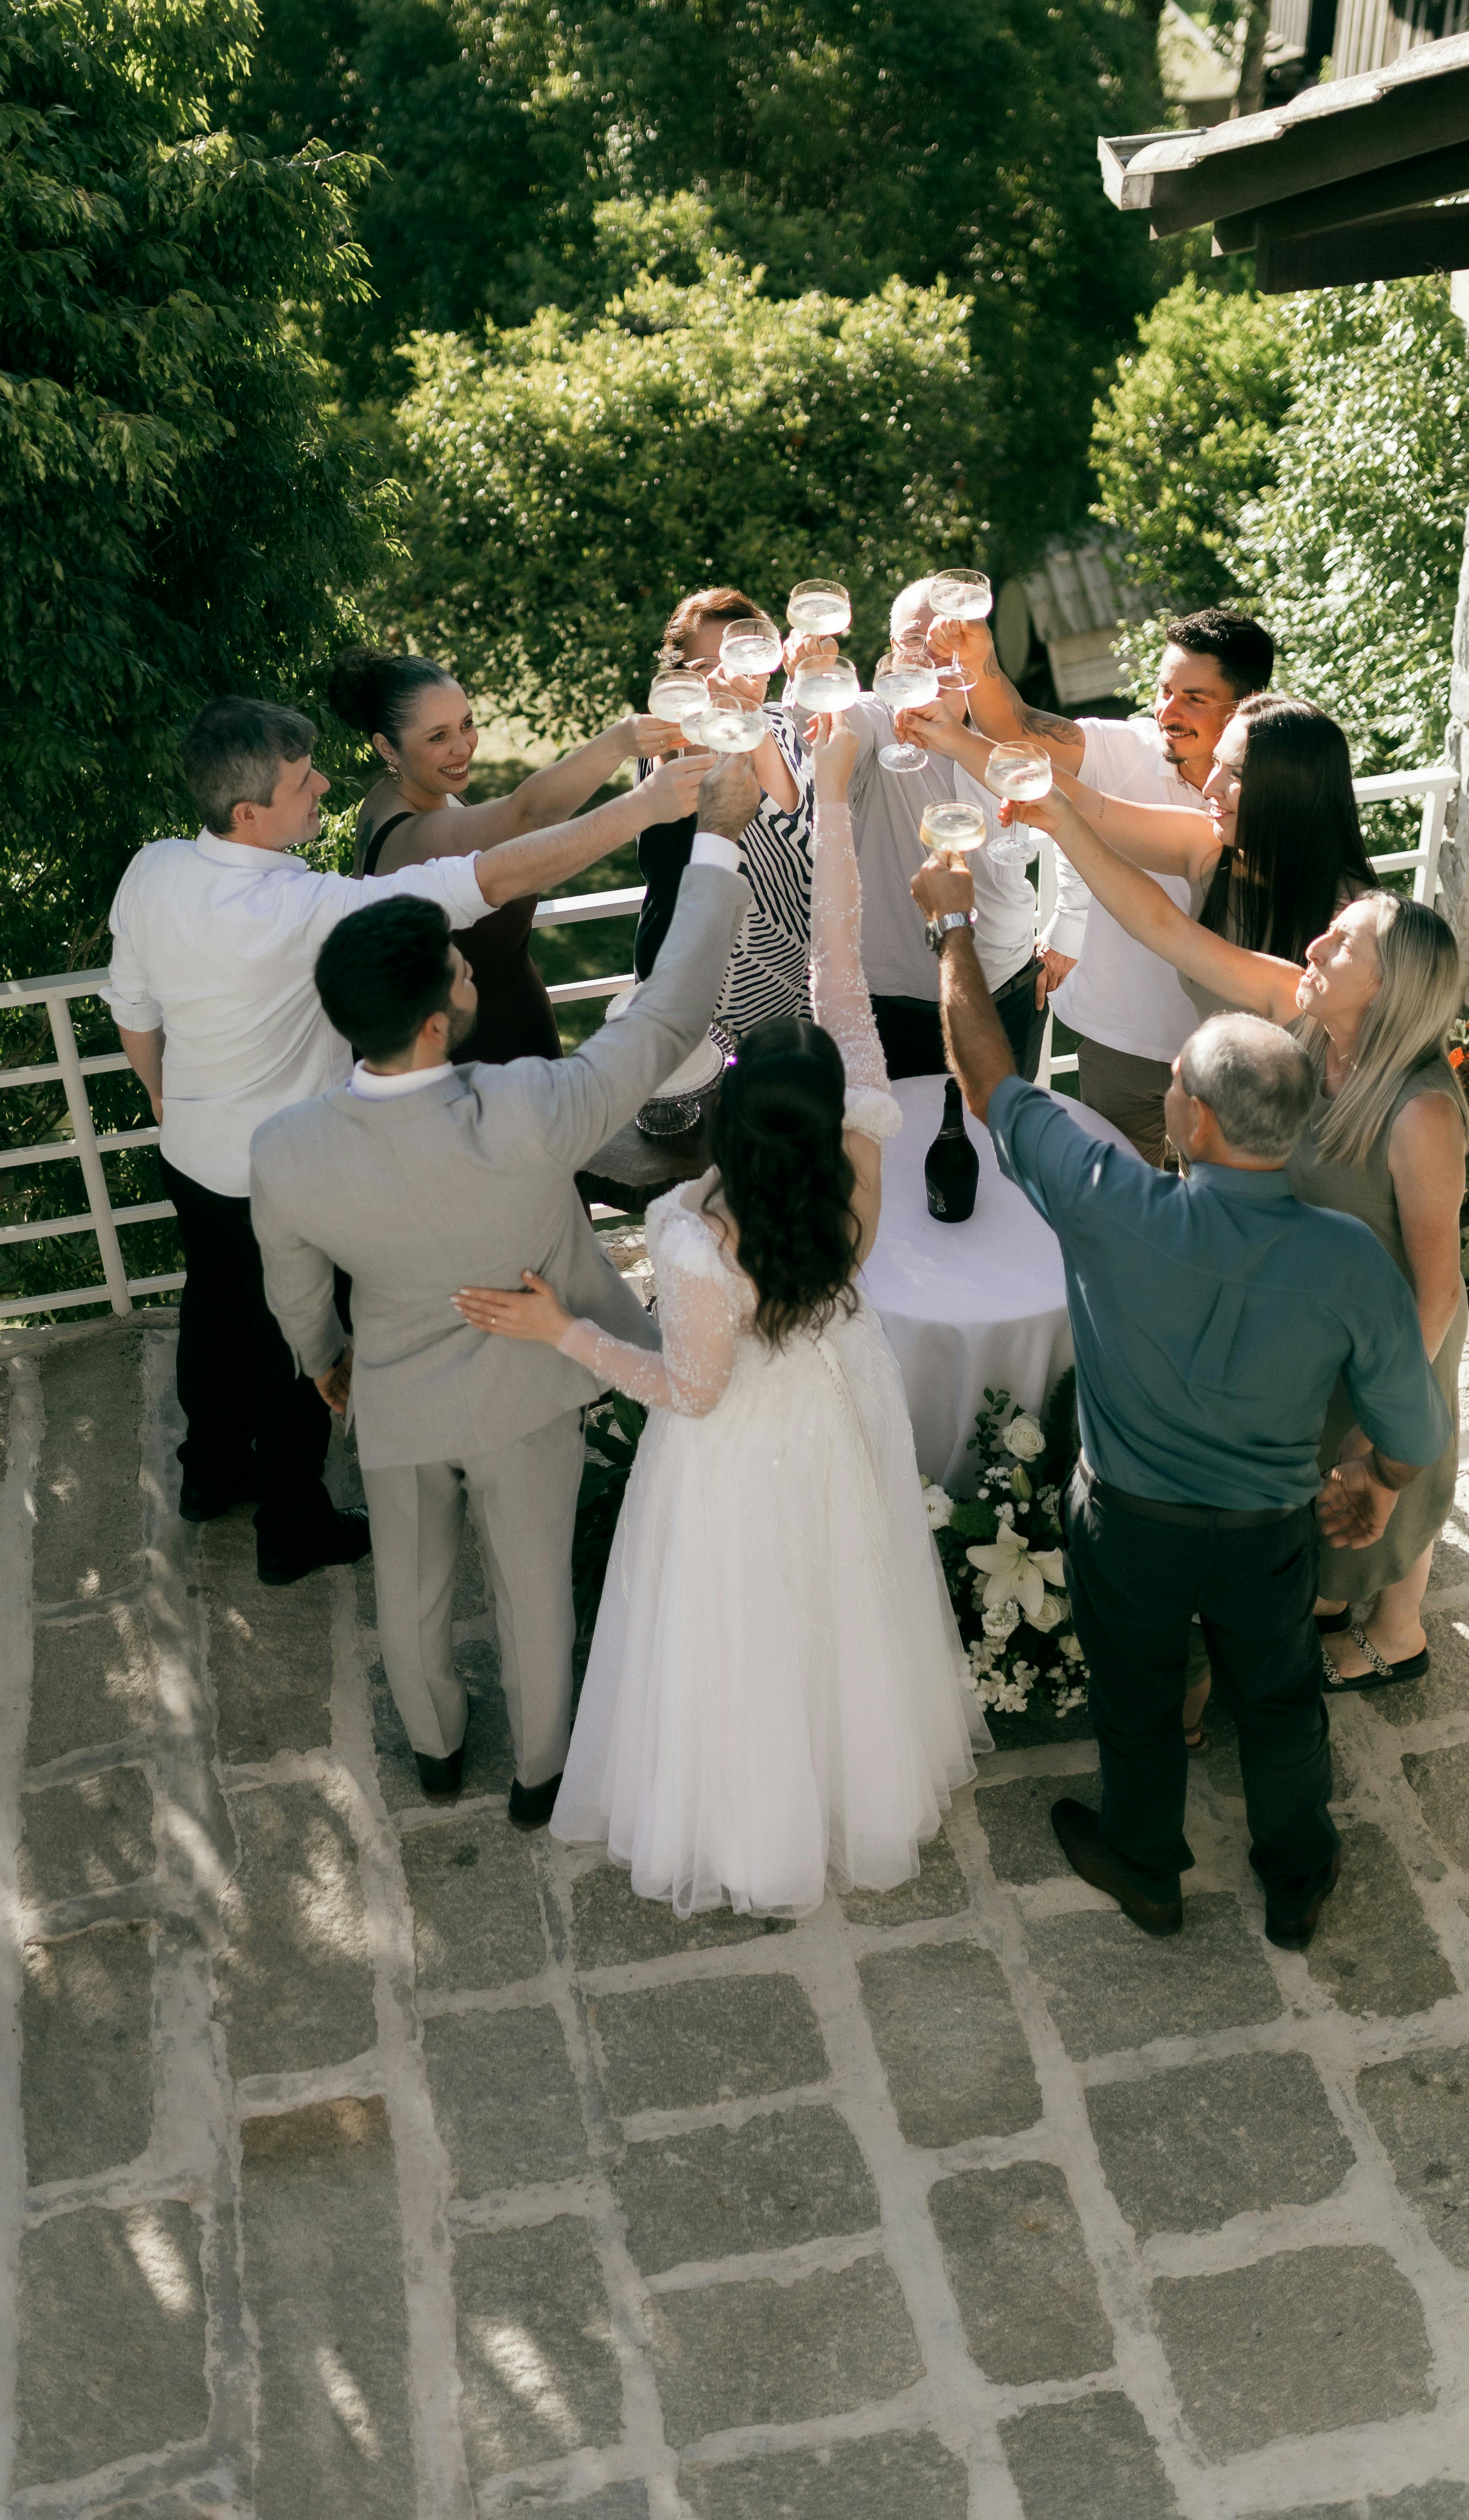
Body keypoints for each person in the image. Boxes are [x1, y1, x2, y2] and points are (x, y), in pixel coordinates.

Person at [453, 716, 988, 1918]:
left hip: (741, 1452)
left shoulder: (702, 1242)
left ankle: (757, 1839)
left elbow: (688, 1391)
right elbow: (836, 956)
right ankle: (849, 1784)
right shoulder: (863, 1135)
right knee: (842, 1607)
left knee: (742, 1634)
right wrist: (834, 798)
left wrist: (565, 1335)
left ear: (734, 1131)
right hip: (838, 1396)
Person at [911, 849, 1451, 1948]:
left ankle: (1146, 1863)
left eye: (1175, 1088)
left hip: (1131, 1525)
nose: (1165, 1096)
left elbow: (985, 1077)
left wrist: (954, 929)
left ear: (1196, 1124)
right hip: (1267, 1531)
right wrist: (1379, 1479)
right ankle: (1298, 1874)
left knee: (1141, 1702)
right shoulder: (1348, 1257)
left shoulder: (1112, 1202)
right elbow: (1410, 1415)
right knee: (1282, 1703)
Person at [249, 755, 758, 1825]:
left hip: (392, 1387)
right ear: (434, 1018)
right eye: (462, 970)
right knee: (533, 1591)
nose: (473, 974)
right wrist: (715, 840)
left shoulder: (285, 1148)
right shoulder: (530, 1108)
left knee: (413, 1585)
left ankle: (434, 1749)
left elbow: (295, 1286)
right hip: (528, 1386)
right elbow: (670, 1014)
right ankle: (540, 1772)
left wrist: (331, 1359)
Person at [107, 695, 703, 1586]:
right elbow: (491, 878)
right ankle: (292, 1527)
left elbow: (134, 1011)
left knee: (216, 1310)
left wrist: (167, 1101)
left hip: (193, 1158)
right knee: (298, 1351)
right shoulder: (305, 905)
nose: (323, 784)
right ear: (248, 814)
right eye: (302, 779)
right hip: (292, 1170)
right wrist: (645, 807)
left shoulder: (152, 871)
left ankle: (208, 1473)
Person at [1009, 781, 1469, 1699]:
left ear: (1386, 989)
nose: (1312, 946)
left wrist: (1383, 1414)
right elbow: (1165, 929)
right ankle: (1334, 1610)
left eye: (1341, 945)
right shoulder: (1302, 1011)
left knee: (1384, 1495)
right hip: (1306, 1313)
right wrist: (1061, 823)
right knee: (1317, 1506)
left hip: (1384, 1338)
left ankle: (1400, 1635)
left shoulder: (1419, 1113)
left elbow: (1438, 1287)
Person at [923, 607, 1273, 1162]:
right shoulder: (1123, 748)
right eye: (1164, 690)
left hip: (1230, 1051)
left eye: (1194, 699)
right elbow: (1013, 727)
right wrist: (979, 659)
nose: (1167, 711)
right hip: (1120, 1041)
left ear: (1247, 704)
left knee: (1212, 1217)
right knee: (1118, 1211)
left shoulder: (1276, 791)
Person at [333, 644, 687, 1065]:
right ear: (387, 747)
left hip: (517, 1025)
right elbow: (530, 813)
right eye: (438, 736)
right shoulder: (408, 836)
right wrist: (620, 742)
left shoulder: (409, 791)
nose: (463, 747)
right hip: (472, 1058)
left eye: (466, 724)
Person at [840, 579, 1085, 1080]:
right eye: (915, 638)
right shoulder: (872, 721)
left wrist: (1070, 925)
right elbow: (822, 727)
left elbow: (1077, 813)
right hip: (900, 1000)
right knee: (900, 1149)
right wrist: (815, 677)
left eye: (946, 635)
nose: (932, 650)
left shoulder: (1011, 735)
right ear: (893, 650)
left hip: (1009, 984)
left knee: (1006, 1141)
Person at [631, 587, 815, 1041]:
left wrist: (747, 720)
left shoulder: (783, 730)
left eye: (737, 658)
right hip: (679, 996)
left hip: (783, 1000)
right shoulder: (660, 744)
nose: (722, 678)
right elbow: (681, 807)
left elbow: (800, 846)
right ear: (678, 678)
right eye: (704, 667)